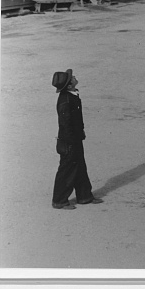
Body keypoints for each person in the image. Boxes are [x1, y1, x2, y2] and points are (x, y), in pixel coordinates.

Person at [51, 69, 102, 209]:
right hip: (69, 141)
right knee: (66, 171)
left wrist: (81, 131)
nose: (74, 77)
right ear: (69, 85)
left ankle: (84, 196)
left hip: (75, 138)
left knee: (80, 167)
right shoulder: (65, 101)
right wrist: (71, 142)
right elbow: (65, 124)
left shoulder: (72, 96)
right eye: (71, 77)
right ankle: (59, 201)